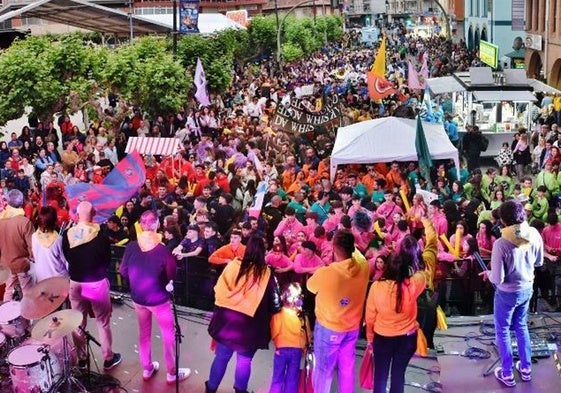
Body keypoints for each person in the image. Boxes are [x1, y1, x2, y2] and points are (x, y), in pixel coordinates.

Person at [365, 218, 437, 393]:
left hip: (383, 337)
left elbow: (370, 317)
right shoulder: (415, 283)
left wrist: (370, 339)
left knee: (380, 376)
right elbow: (425, 266)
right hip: (406, 338)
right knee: (399, 375)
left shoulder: (377, 287)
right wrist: (414, 254)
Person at [120, 210, 191, 384]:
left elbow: (123, 271)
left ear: (141, 225)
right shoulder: (163, 250)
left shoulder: (131, 246)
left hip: (138, 299)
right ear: (157, 225)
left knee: (144, 333)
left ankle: (147, 368)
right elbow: (171, 274)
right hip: (159, 300)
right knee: (168, 334)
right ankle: (172, 372)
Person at [205, 235, 281, 393]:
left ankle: (210, 388)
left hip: (226, 323)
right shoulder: (267, 274)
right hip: (250, 328)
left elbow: (217, 290)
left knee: (221, 358)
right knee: (244, 362)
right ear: (263, 252)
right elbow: (275, 305)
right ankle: (240, 390)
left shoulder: (233, 266)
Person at [480, 200, 543, 387]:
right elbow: (539, 262)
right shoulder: (533, 233)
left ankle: (507, 373)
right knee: (521, 326)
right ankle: (525, 368)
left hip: (507, 293)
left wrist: (489, 273)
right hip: (526, 289)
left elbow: (497, 279)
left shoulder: (501, 243)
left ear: (504, 221)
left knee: (503, 331)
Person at [306, 230, 370, 393]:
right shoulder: (363, 267)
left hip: (329, 329)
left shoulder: (327, 273)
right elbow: (358, 255)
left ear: (334, 248)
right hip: (352, 327)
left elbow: (310, 286)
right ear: (352, 248)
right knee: (347, 370)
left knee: (323, 371)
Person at [61, 201, 122, 370]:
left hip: (75, 282)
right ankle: (108, 358)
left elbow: (67, 256)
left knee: (78, 322)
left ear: (77, 215)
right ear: (93, 214)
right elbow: (106, 260)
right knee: (103, 322)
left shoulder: (67, 234)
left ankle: (82, 359)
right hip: (96, 283)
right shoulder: (100, 235)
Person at [268, 282, 309, 393]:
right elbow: (307, 335)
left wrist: (278, 342)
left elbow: (274, 332)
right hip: (296, 351)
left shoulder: (278, 314)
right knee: (292, 378)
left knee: (277, 377)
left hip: (281, 350)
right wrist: (305, 350)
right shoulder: (302, 315)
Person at [0, 189, 35, 301]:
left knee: (9, 290)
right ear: (21, 203)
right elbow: (32, 246)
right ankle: (27, 316)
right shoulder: (24, 222)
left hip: (6, 264)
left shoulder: (1, 219)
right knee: (27, 292)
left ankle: (6, 316)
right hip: (22, 264)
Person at [31, 205, 68, 282]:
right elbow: (65, 262)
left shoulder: (34, 237)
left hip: (41, 278)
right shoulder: (58, 240)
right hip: (58, 279)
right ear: (55, 221)